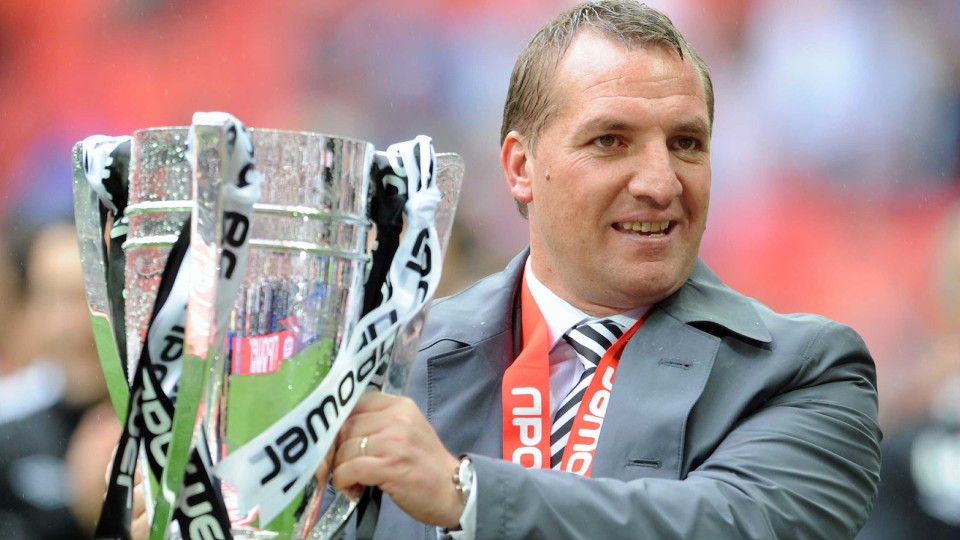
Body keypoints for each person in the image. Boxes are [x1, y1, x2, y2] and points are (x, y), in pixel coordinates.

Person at [319, 2, 881, 539]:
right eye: (611, 141)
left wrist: (467, 497)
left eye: (687, 143)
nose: (661, 184)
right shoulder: (382, 365)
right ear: (521, 167)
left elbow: (722, 526)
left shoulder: (805, 373)